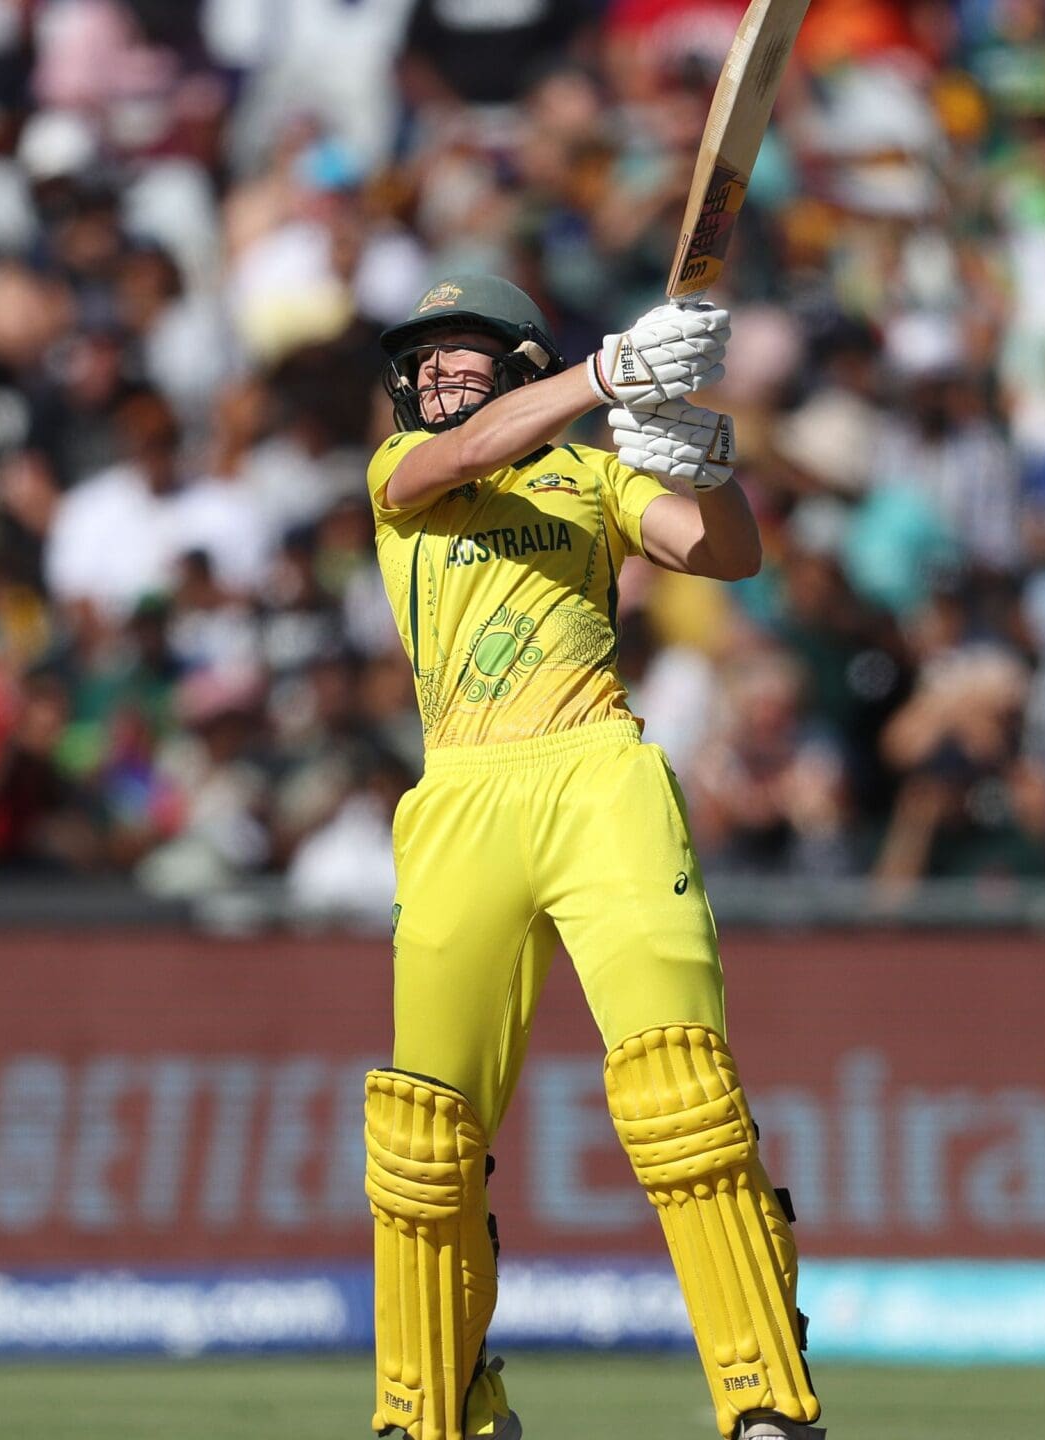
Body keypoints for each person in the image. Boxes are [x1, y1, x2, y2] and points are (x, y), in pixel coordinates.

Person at [359, 275, 820, 1440]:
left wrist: (700, 464)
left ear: (518, 360)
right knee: (424, 1134)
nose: (436, 376)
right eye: (425, 361)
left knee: (682, 1091)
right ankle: (435, 1411)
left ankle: (767, 1403)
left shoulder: (589, 477)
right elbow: (444, 460)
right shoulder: (397, 477)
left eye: (464, 356)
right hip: (461, 790)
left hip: (595, 773)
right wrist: (611, 376)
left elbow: (723, 558)